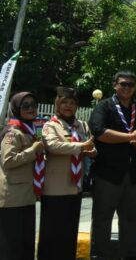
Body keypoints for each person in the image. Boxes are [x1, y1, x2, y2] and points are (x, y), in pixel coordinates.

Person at [89, 71, 136, 260]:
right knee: (102, 218)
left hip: (135, 175)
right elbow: (99, 132)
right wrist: (130, 137)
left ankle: (129, 254)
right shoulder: (104, 106)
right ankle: (102, 255)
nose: (127, 88)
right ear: (115, 85)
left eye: (131, 85)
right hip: (108, 174)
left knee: (130, 218)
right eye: (123, 84)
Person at [38, 87, 96, 260]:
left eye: (72, 103)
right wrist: (81, 147)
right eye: (64, 102)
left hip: (75, 188)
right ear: (57, 104)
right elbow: (53, 146)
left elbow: (89, 145)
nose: (68, 106)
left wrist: (91, 151)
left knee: (69, 232)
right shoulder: (50, 125)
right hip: (55, 188)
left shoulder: (81, 125)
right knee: (51, 233)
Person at [0, 92, 44, 260]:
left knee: (25, 243)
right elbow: (8, 160)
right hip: (12, 197)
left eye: (33, 104)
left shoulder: (29, 130)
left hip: (26, 195)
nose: (31, 108)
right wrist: (33, 150)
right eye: (25, 106)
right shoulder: (12, 132)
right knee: (11, 245)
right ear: (16, 108)